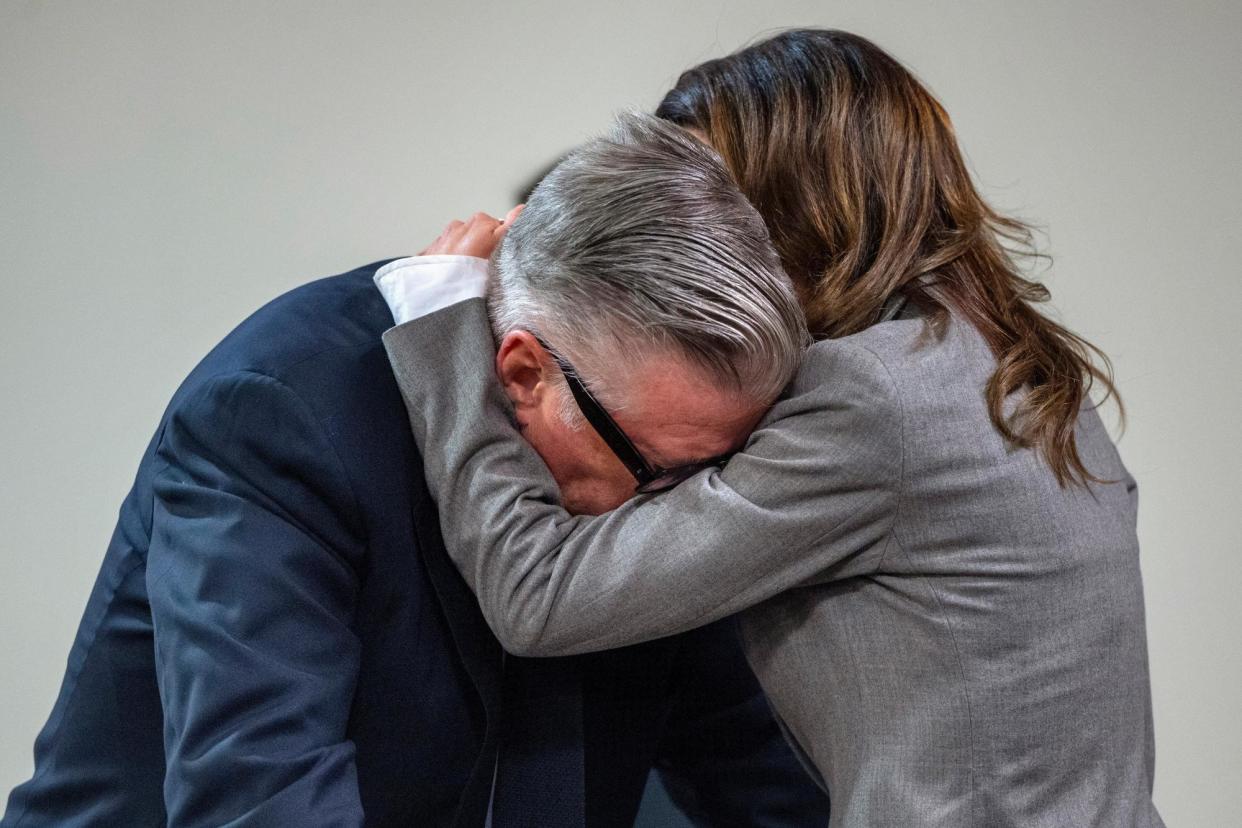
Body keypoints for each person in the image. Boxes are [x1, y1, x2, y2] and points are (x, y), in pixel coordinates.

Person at [382, 30, 1164, 827]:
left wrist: (441, 315)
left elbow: (544, 598)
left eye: (699, 194)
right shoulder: (993, 355)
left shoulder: (877, 395)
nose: (685, 231)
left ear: (789, 197)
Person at [1, 115, 829, 827]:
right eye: (659, 473)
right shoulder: (286, 414)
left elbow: (747, 767)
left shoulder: (658, 457)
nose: (679, 512)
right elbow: (260, 797)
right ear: (522, 375)